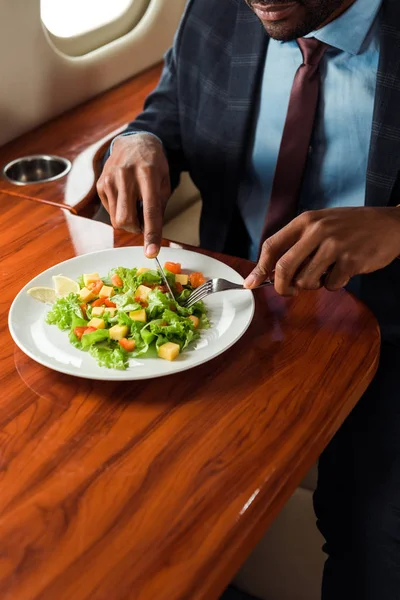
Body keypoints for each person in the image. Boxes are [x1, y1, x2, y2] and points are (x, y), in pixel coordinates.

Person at [97, 0, 400, 598]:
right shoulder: (217, 12)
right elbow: (171, 112)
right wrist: (140, 139)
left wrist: (397, 226)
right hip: (229, 310)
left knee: (374, 534)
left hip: (389, 330)